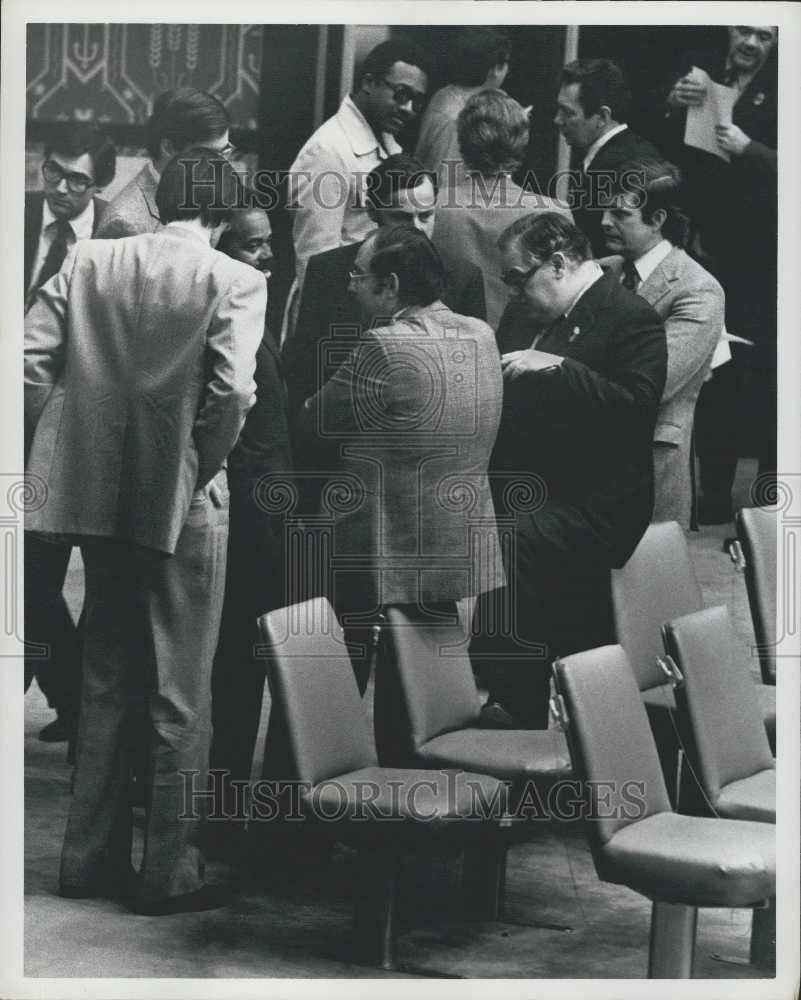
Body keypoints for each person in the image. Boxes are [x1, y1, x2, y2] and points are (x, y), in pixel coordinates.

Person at [24, 148, 265, 914]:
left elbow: (28, 367)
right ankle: (169, 873)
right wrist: (196, 465)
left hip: (97, 496)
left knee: (103, 678)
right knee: (178, 691)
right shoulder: (235, 279)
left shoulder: (90, 260)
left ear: (162, 204)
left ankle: (85, 860)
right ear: (223, 218)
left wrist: (68, 454)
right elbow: (232, 394)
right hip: (183, 501)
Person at [471, 213, 666, 728]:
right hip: (533, 489)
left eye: (517, 277)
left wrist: (564, 369)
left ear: (557, 264)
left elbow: (638, 408)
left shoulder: (630, 316)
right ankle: (488, 682)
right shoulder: (524, 315)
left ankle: (518, 700)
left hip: (599, 501)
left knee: (511, 537)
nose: (512, 291)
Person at [296, 224, 505, 695]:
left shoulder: (384, 346)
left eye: (358, 274)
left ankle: (317, 766)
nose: (349, 284)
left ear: (389, 286)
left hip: (380, 541)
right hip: (453, 538)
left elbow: (315, 416)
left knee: (334, 680)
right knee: (422, 698)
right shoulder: (482, 334)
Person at [655, 26, 777, 520]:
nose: (750, 43)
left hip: (764, 260)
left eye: (764, 37)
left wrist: (751, 148)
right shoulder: (697, 67)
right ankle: (713, 494)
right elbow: (664, 146)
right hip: (706, 250)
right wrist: (669, 101)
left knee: (766, 377)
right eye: (744, 31)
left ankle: (769, 503)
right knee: (715, 375)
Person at [24, 124, 117, 752]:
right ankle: (75, 701)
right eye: (52, 171)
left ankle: (79, 704)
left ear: (99, 184)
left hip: (71, 432)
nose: (59, 188)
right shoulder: (16, 214)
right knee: (25, 579)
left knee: (34, 577)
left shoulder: (116, 236)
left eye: (77, 180)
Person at [284, 152, 486, 418]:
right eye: (401, 217)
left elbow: (471, 378)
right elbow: (306, 368)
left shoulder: (463, 277)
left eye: (425, 216)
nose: (416, 228)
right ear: (372, 212)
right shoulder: (328, 270)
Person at [210, 201, 294, 821]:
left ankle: (234, 792)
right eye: (252, 246)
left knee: (248, 659)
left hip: (270, 510)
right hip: (246, 514)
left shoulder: (258, 305)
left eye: (268, 244)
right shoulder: (227, 312)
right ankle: (225, 796)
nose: (267, 256)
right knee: (237, 661)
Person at [600, 159, 723, 528]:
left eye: (621, 214)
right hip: (590, 464)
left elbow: (655, 382)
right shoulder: (604, 271)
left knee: (646, 579)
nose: (605, 221)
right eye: (606, 209)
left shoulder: (697, 289)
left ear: (657, 220)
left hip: (650, 467)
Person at [288, 40, 430, 291]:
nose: (408, 108)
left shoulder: (389, 143)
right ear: (368, 82)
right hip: (342, 305)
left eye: (416, 101)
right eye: (401, 93)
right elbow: (316, 261)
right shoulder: (328, 151)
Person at [433, 89, 572, 329]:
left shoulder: (431, 208)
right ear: (522, 141)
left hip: (449, 345)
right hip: (526, 351)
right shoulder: (554, 213)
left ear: (463, 141)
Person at [554, 59, 660, 256]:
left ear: (602, 116)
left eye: (568, 112)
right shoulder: (620, 152)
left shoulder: (618, 165)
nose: (558, 120)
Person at [95, 88, 232, 238]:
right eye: (209, 155)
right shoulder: (125, 222)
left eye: (225, 151)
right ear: (168, 148)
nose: (221, 166)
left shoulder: (210, 194)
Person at [415, 27, 511, 179]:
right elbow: (445, 187)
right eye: (506, 64)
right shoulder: (456, 118)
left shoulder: (446, 94)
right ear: (496, 69)